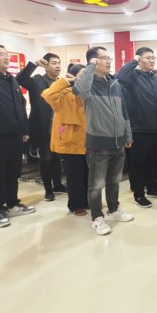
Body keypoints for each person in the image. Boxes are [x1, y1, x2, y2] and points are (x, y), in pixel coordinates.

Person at [74, 47, 134, 236]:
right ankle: (97, 218)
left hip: (118, 143)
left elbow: (124, 111)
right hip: (98, 144)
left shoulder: (115, 83)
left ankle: (113, 210)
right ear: (93, 61)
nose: (108, 61)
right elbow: (78, 90)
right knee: (96, 184)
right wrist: (89, 68)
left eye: (109, 58)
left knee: (114, 181)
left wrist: (128, 135)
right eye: (104, 58)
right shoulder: (88, 84)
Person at [0, 45, 36, 227]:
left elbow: (20, 105)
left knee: (13, 171)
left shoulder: (10, 79)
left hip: (14, 134)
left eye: (7, 54)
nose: (7, 57)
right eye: (1, 54)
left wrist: (24, 129)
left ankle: (12, 203)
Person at [117, 47, 157, 208]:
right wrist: (134, 61)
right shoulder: (131, 76)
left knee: (153, 162)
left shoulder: (155, 78)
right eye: (148, 57)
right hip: (138, 129)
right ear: (139, 59)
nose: (152, 60)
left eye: (153, 58)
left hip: (156, 129)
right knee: (138, 164)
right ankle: (138, 194)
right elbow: (119, 76)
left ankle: (152, 188)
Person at [16, 53, 67, 201]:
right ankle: (48, 189)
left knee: (57, 157)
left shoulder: (62, 82)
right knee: (46, 158)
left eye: (59, 63)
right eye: (54, 63)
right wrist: (34, 64)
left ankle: (58, 184)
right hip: (42, 126)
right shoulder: (36, 81)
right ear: (46, 65)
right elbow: (20, 79)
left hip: (59, 127)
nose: (57, 66)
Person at [41, 64, 89, 216]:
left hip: (89, 141)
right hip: (71, 142)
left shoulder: (90, 93)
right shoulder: (64, 93)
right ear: (73, 76)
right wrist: (64, 82)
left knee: (88, 175)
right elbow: (48, 94)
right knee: (74, 176)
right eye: (81, 75)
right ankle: (76, 205)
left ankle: (87, 201)